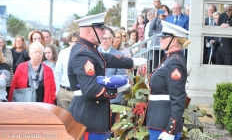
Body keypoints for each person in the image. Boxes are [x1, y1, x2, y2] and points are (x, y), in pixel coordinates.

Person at [67, 12, 145, 140]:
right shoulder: (83, 54)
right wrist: (115, 90)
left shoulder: (89, 49)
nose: (104, 33)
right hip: (88, 117)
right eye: (100, 29)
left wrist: (132, 62)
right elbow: (91, 90)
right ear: (88, 31)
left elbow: (106, 58)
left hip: (93, 115)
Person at [144, 20, 190, 140]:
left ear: (174, 40)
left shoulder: (174, 62)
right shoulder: (169, 59)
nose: (160, 39)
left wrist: (171, 129)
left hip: (164, 124)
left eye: (164, 37)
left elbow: (178, 98)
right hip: (158, 120)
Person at [54, 31, 79, 110]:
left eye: (76, 41)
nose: (73, 44)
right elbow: (57, 73)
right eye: (71, 41)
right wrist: (58, 92)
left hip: (78, 91)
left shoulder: (84, 53)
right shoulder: (63, 53)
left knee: (77, 119)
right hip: (64, 90)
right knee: (63, 119)